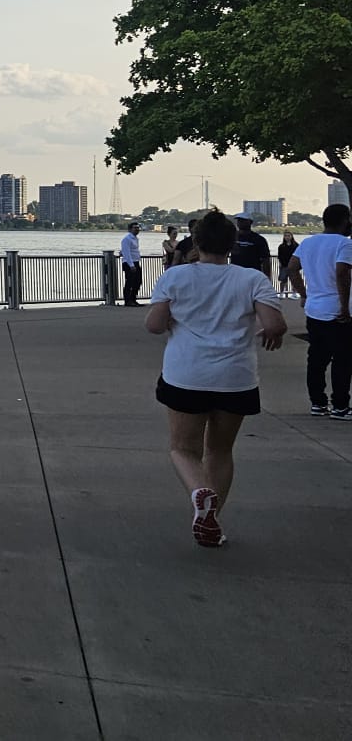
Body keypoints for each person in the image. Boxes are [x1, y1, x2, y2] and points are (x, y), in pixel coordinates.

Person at [146, 211, 286, 547]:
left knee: (182, 449)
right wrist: (271, 332)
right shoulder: (252, 280)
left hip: (186, 374)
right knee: (220, 451)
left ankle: (199, 493)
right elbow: (275, 324)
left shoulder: (176, 277)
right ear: (233, 244)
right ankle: (210, 520)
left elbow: (154, 324)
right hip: (235, 378)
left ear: (196, 241)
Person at [289, 203, 352, 419]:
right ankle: (341, 406)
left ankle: (318, 403)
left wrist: (304, 294)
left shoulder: (308, 242)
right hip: (338, 312)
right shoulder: (344, 244)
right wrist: (345, 305)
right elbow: (342, 273)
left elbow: (291, 268)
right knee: (342, 360)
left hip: (314, 310)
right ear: (345, 220)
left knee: (316, 358)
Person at [231, 215, 272, 282]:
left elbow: (266, 260)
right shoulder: (232, 237)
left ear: (250, 222)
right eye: (238, 220)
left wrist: (267, 278)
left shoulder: (259, 239)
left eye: (243, 220)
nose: (240, 222)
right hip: (235, 275)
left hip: (253, 276)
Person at [119, 220, 145, 305]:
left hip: (136, 262)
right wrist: (131, 265)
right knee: (130, 282)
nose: (137, 229)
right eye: (135, 228)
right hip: (129, 263)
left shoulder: (135, 239)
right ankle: (127, 301)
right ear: (130, 229)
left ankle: (133, 299)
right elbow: (126, 253)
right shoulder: (126, 239)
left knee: (138, 281)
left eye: (138, 228)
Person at [277, 230, 299, 296]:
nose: (287, 237)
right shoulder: (281, 246)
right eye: (285, 236)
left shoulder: (296, 245)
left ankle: (294, 293)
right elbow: (279, 256)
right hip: (284, 265)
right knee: (283, 280)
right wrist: (280, 263)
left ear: (292, 236)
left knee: (294, 280)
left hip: (293, 266)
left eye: (288, 236)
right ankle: (281, 293)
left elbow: (298, 256)